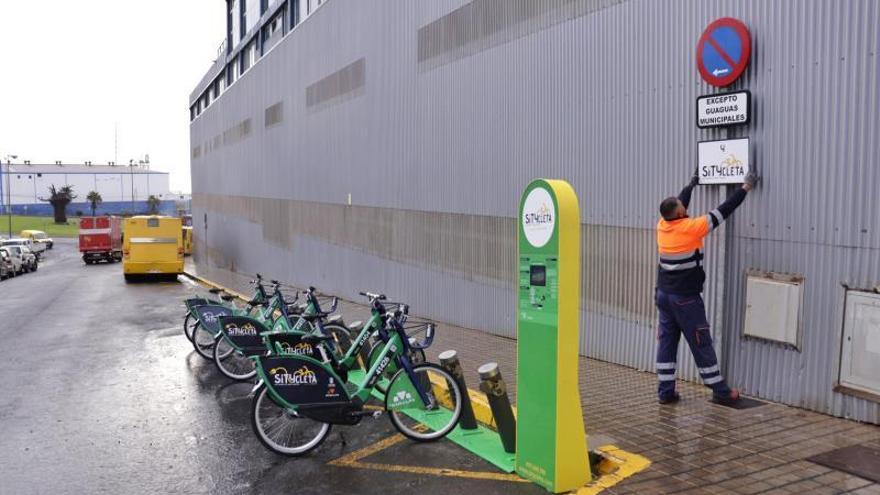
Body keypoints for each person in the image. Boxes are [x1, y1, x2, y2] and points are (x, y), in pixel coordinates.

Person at [654, 168, 758, 405]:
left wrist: (691, 185)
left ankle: (665, 392)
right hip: (685, 299)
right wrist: (745, 188)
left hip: (664, 295)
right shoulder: (692, 228)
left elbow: (679, 203)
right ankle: (720, 391)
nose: (684, 206)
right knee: (701, 341)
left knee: (667, 343)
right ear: (680, 212)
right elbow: (724, 210)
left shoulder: (662, 225)